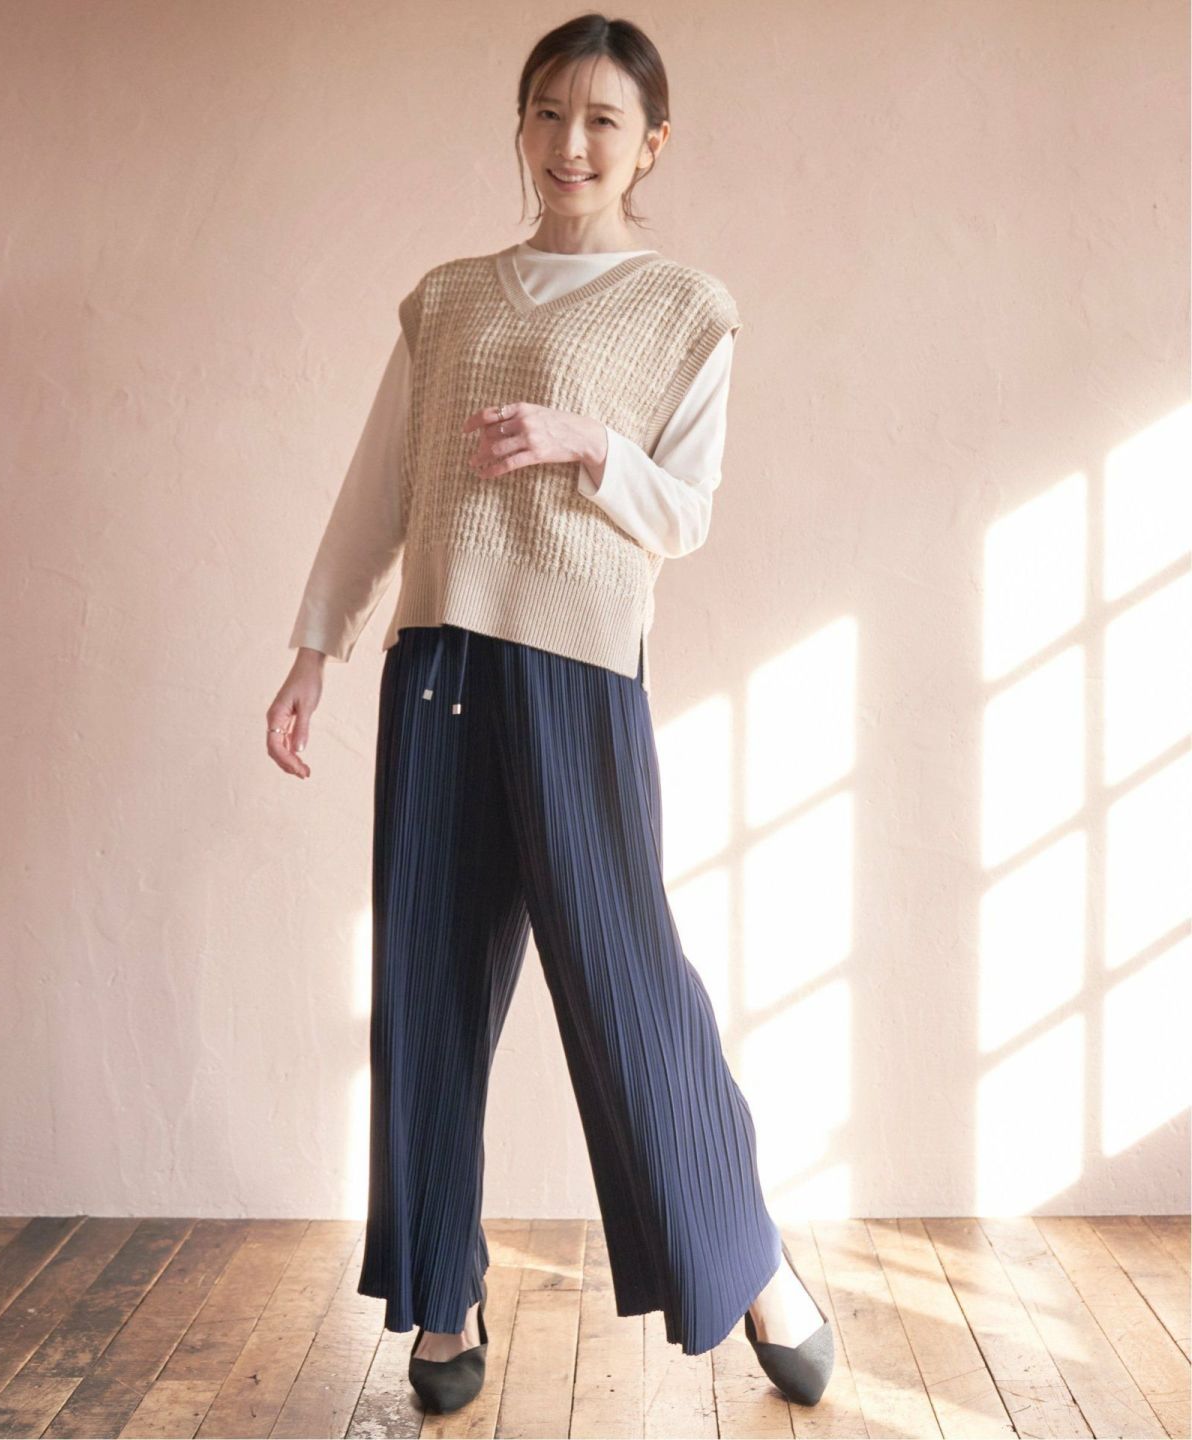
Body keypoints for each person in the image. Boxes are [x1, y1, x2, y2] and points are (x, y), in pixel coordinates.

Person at [266, 12, 834, 1416]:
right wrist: (315, 649)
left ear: (651, 143)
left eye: (600, 119)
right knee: (427, 988)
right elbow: (380, 486)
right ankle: (440, 1296)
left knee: (627, 983)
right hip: (438, 666)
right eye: (545, 113)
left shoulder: (685, 307)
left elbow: (684, 512)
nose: (569, 143)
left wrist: (588, 443)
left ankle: (754, 1261)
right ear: (520, 127)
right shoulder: (449, 299)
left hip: (577, 675)